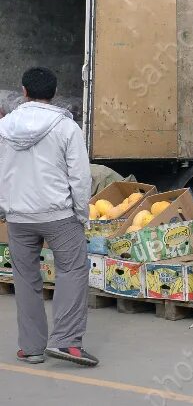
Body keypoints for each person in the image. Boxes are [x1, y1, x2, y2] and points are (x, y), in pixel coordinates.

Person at [0, 67, 98, 367]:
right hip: (58, 215)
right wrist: (82, 214)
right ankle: (66, 342)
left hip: (18, 217)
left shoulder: (4, 127)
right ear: (54, 94)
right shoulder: (67, 128)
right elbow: (80, 178)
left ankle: (31, 348)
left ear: (23, 90)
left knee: (26, 279)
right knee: (73, 270)